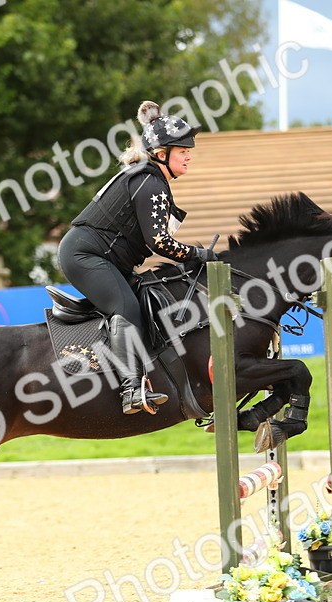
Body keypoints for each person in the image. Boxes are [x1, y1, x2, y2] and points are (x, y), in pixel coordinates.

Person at [59, 100, 217, 415]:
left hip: (100, 255)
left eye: (189, 149)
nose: (188, 154)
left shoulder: (151, 178)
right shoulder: (150, 183)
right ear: (162, 154)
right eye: (181, 149)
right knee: (126, 307)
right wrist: (200, 254)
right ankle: (131, 389)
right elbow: (159, 241)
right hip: (84, 255)